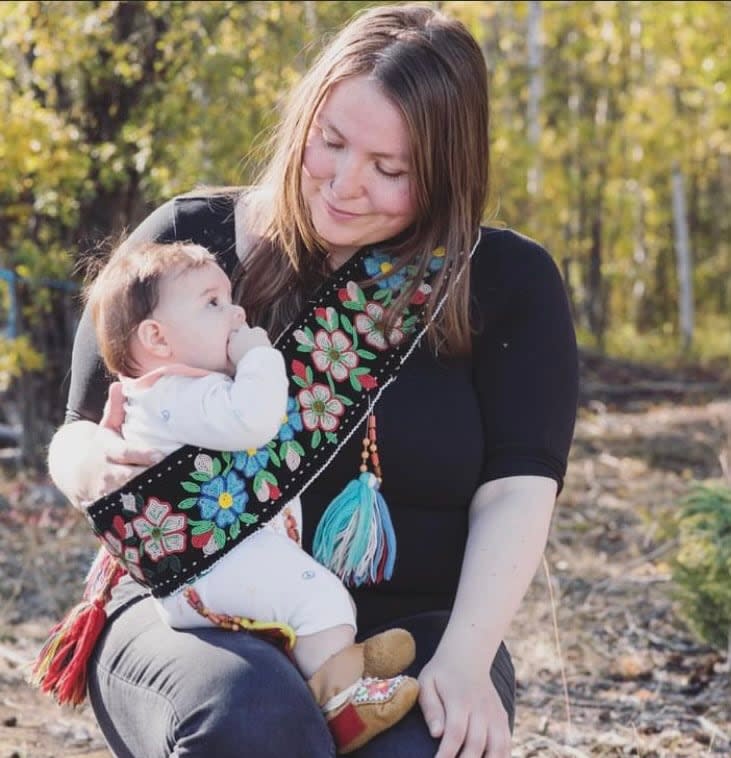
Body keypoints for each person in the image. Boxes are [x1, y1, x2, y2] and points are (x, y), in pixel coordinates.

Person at [47, 4, 578, 757]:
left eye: (389, 170)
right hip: (195, 610)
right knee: (255, 722)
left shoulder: (508, 282)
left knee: (417, 745)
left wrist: (465, 659)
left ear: (446, 175)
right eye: (329, 143)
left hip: (416, 626)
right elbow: (74, 428)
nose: (343, 184)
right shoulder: (187, 242)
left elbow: (518, 489)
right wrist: (87, 466)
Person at [76, 239, 420, 753]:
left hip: (215, 560)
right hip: (210, 562)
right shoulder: (175, 396)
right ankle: (342, 699)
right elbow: (256, 419)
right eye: (212, 303)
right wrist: (259, 356)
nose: (236, 311)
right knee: (316, 599)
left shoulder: (175, 391)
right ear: (157, 338)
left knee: (317, 597)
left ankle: (343, 666)